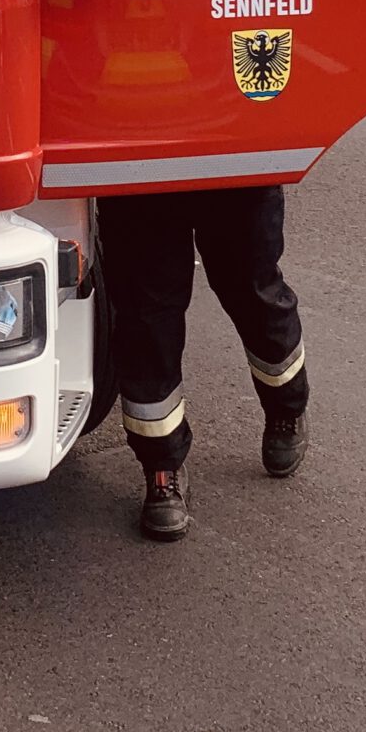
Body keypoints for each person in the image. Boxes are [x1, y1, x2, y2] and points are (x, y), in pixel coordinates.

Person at [98, 183, 308, 542]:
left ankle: (286, 408)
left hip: (230, 150)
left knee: (253, 292)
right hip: (138, 157)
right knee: (146, 316)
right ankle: (161, 466)